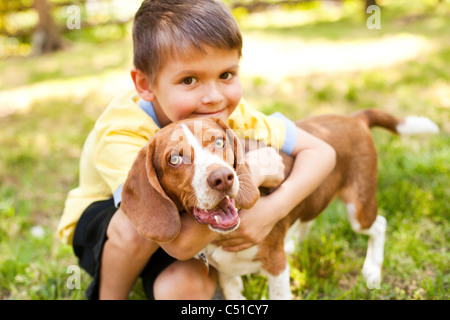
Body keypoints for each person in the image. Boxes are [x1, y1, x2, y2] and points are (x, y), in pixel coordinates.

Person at [57, 0, 336, 300]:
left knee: (187, 288)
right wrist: (252, 174)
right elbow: (175, 241)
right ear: (145, 83)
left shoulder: (225, 115)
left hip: (187, 221)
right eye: (189, 80)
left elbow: (322, 152)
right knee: (131, 230)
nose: (214, 97)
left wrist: (270, 211)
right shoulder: (120, 132)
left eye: (226, 75)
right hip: (114, 224)